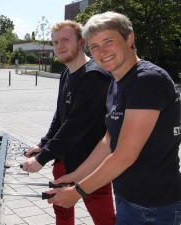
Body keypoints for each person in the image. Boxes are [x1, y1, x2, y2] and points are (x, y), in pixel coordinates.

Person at [47, 12, 181, 225]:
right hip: (128, 198)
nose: (102, 52)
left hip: (155, 206)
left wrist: (78, 191)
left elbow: (124, 154)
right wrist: (75, 175)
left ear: (129, 39)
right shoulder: (117, 81)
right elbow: (109, 140)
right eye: (94, 46)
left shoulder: (147, 80)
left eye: (108, 41)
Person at [21, 20, 116, 225]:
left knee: (104, 219)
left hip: (91, 165)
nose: (60, 46)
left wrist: (41, 159)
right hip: (64, 160)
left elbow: (75, 125)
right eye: (55, 42)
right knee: (62, 212)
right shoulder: (66, 73)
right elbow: (60, 116)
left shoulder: (94, 76)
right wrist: (43, 144)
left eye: (65, 40)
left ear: (81, 42)